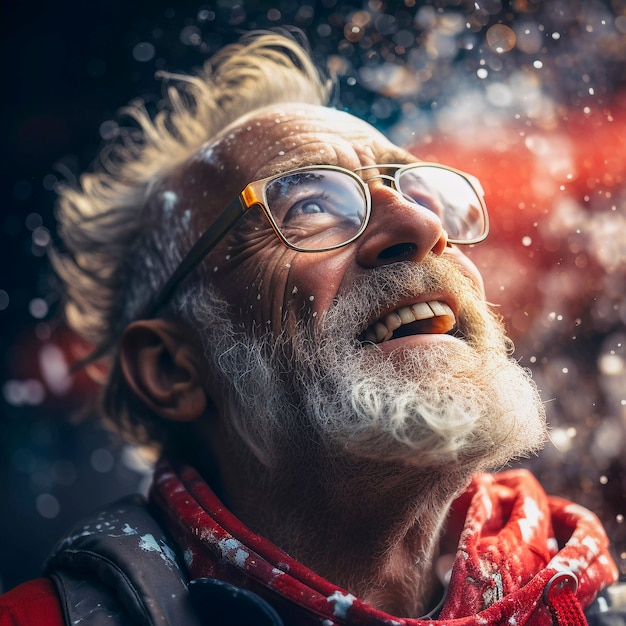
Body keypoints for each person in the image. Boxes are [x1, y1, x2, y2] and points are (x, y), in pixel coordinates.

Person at [0, 29, 623, 626]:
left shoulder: (595, 602)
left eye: (425, 197)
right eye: (311, 205)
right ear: (172, 369)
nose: (420, 226)